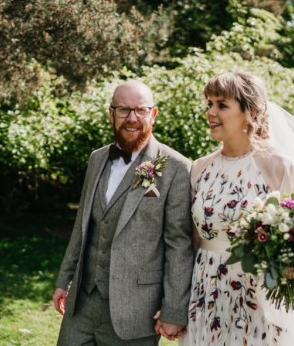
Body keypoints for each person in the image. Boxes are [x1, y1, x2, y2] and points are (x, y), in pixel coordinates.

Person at [179, 72, 294, 345]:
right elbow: (192, 239)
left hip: (258, 296)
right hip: (206, 291)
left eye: (222, 105)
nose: (211, 112)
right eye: (209, 104)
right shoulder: (200, 168)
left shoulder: (279, 167)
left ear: (250, 112)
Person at [53, 80, 194, 345]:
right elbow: (82, 226)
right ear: (111, 113)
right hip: (81, 305)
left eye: (140, 110)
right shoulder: (97, 158)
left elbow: (179, 245)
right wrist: (65, 279)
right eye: (123, 110)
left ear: (153, 114)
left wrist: (174, 309)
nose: (132, 119)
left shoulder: (177, 168)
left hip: (137, 312)